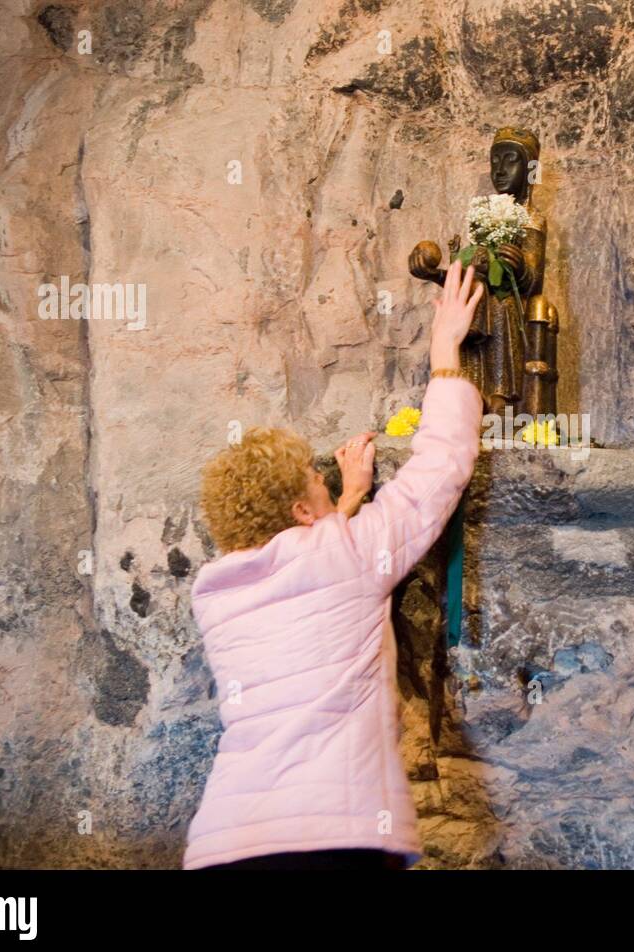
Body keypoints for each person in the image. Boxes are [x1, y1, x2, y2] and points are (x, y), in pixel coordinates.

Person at [183, 261, 484, 870]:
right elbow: (438, 469)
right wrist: (446, 351)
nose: (325, 484)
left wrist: (347, 500)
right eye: (314, 484)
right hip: (333, 836)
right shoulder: (343, 555)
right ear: (300, 509)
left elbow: (311, 566)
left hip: (225, 841)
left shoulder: (217, 595)